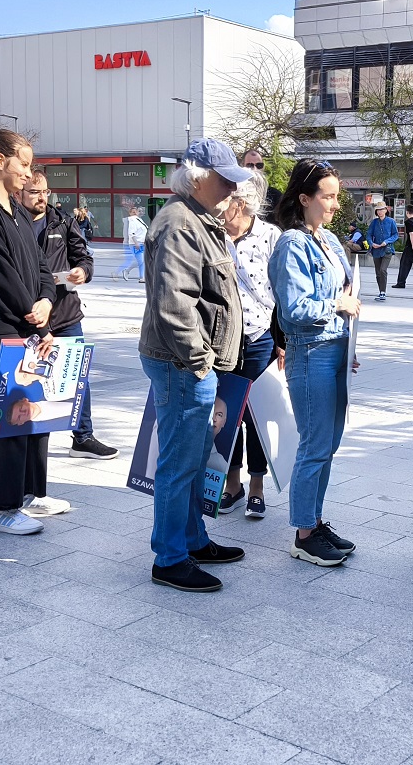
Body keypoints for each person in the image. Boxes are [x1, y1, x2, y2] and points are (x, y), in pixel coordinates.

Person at [138, 138, 250, 591]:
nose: (232, 189)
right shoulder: (181, 222)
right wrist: (201, 363)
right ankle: (170, 558)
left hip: (188, 362)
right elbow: (175, 305)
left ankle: (191, 540)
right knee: (179, 463)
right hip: (183, 363)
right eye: (225, 179)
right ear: (198, 178)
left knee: (191, 458)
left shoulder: (196, 218)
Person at [0, 129, 69, 535]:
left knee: (33, 405)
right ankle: (2, 507)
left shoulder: (16, 209)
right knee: (7, 410)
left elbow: (41, 266)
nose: (28, 172)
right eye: (23, 163)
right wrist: (35, 319)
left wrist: (47, 301)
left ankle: (29, 493)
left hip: (26, 321)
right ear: (0, 161)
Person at [270, 158, 360, 567]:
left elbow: (344, 292)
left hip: (334, 349)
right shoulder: (292, 243)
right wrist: (337, 304)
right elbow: (294, 307)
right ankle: (304, 534)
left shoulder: (328, 239)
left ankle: (316, 521)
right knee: (315, 445)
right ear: (304, 198)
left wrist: (349, 341)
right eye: (328, 197)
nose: (335, 204)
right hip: (310, 352)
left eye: (337, 197)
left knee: (328, 444)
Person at [22, 167, 118, 461]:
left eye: (45, 191)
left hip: (64, 313)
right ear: (19, 193)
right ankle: (27, 436)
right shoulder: (12, 223)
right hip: (26, 315)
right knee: (27, 376)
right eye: (34, 192)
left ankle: (83, 437)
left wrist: (82, 272)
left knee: (77, 376)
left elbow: (84, 257)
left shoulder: (62, 221)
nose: (42, 197)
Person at [217, 173, 282, 520]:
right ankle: (232, 483)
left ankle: (257, 485)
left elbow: (283, 292)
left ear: (239, 203)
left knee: (255, 415)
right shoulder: (213, 235)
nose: (218, 206)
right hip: (221, 341)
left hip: (260, 338)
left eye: (225, 199)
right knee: (227, 414)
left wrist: (283, 341)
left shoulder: (271, 236)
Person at [366, 202, 398, 301]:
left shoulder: (391, 221)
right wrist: (371, 243)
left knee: (383, 270)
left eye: (382, 209)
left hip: (387, 249)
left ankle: (383, 292)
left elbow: (395, 235)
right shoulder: (374, 222)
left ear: (385, 210)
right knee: (378, 272)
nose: (380, 212)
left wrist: (387, 241)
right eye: (378, 210)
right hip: (376, 250)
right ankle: (381, 291)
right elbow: (369, 234)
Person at [118, 205, 147, 281]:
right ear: (130, 213)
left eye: (135, 211)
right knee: (140, 261)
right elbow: (131, 233)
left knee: (141, 261)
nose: (134, 213)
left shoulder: (139, 220)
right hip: (136, 243)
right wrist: (136, 243)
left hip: (142, 242)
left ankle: (141, 277)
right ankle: (127, 271)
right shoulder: (132, 220)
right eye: (132, 212)